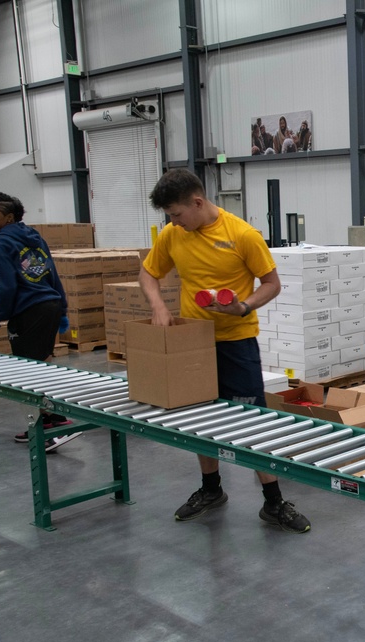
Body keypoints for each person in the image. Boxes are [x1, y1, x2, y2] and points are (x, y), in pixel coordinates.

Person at [140, 169, 311, 534]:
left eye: (176, 214)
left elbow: (272, 284)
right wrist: (158, 305)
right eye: (170, 216)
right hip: (193, 343)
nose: (173, 222)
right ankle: (211, 490)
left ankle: (273, 501)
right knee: (200, 418)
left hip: (236, 342)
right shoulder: (173, 235)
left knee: (252, 421)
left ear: (197, 202)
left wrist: (244, 306)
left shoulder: (241, 235)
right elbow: (148, 274)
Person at [0, 192, 77, 452]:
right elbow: (52, 275)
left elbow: (6, 287)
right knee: (42, 364)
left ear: (8, 217)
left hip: (28, 312)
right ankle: (53, 419)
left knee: (30, 373)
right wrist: (61, 309)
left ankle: (48, 432)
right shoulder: (35, 239)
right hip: (48, 306)